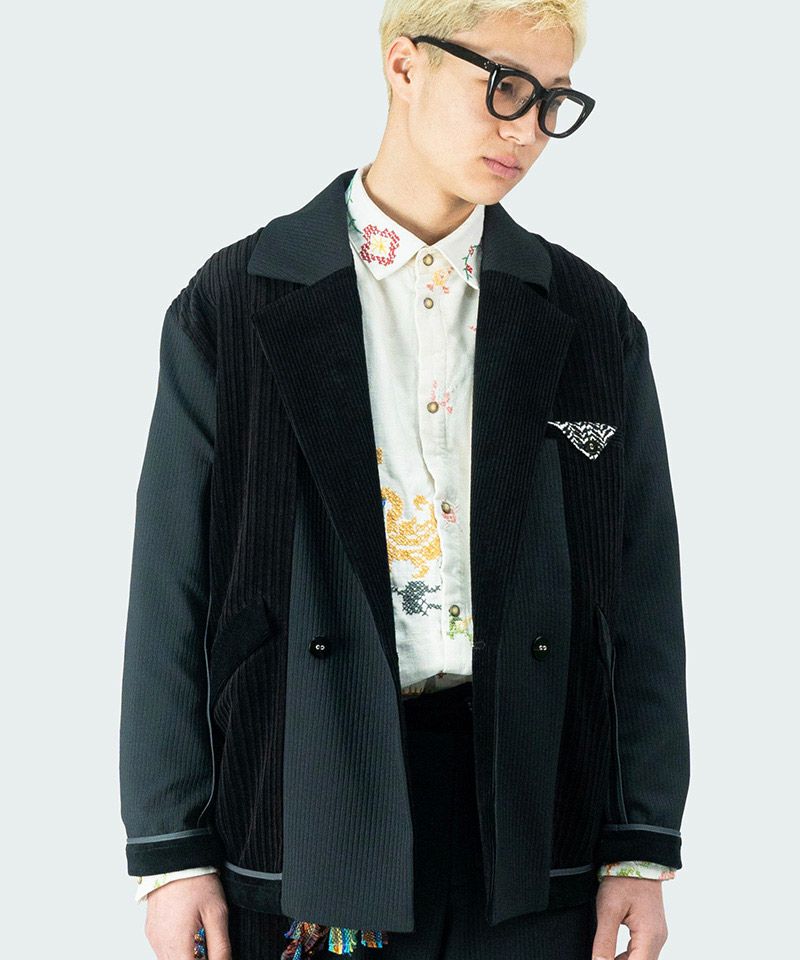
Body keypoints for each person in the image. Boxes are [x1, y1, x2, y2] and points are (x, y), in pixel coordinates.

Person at [119, 2, 690, 958]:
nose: (526, 129)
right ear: (404, 66)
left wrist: (640, 844)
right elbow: (170, 588)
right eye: (504, 85)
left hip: (534, 816)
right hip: (303, 806)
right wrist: (173, 852)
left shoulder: (590, 319)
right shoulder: (234, 304)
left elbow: (640, 591)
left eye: (552, 101)